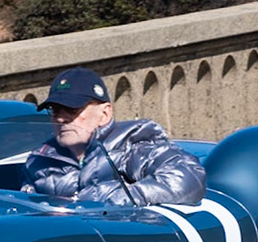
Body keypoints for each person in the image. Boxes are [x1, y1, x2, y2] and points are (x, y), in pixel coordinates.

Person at [22, 68, 207, 206]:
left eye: (72, 109)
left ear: (104, 114)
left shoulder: (133, 144)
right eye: (54, 110)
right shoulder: (39, 161)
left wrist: (113, 199)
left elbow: (188, 177)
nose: (60, 118)